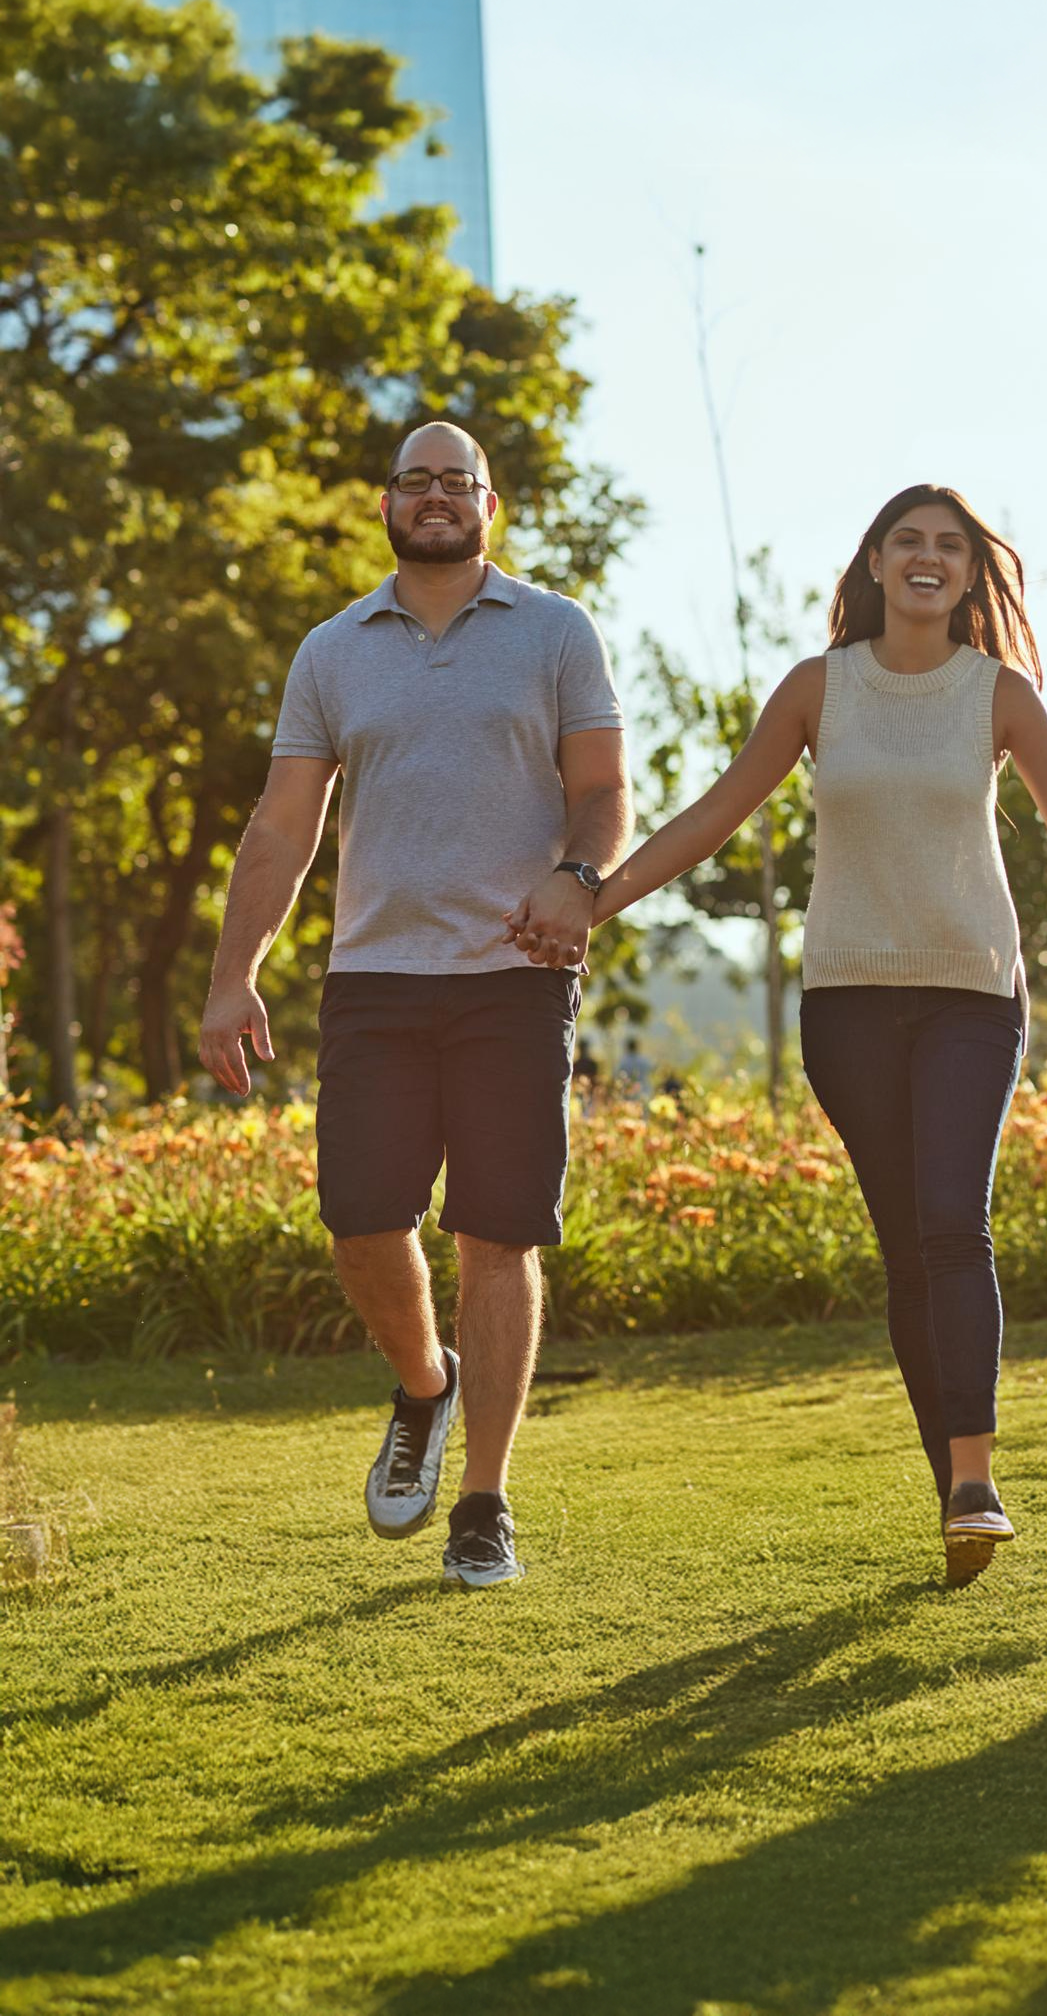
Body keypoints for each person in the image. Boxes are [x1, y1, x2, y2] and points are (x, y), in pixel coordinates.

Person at [535, 484, 1047, 1582]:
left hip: (970, 994)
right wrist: (592, 901)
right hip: (848, 1002)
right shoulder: (819, 689)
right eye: (909, 539)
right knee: (907, 1244)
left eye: (950, 545)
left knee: (953, 1220)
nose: (929, 557)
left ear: (969, 574)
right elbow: (718, 811)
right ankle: (952, 1484)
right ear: (873, 561)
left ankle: (977, 1478)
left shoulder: (1003, 697)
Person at [198, 421, 629, 1590]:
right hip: (375, 977)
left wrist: (578, 879)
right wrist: (233, 974)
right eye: (416, 479)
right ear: (386, 502)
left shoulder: (554, 631)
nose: (436, 496)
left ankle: (483, 1500)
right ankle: (424, 1386)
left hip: (515, 976)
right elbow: (283, 827)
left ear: (492, 504)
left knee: (499, 1233)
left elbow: (600, 793)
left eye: (458, 480)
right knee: (362, 1221)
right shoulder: (333, 649)